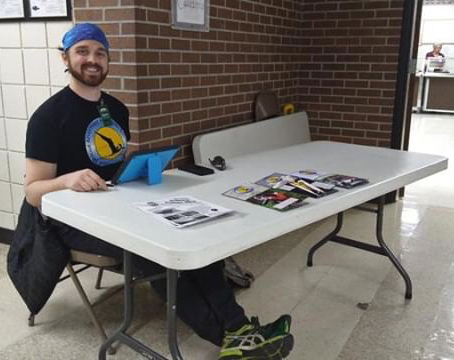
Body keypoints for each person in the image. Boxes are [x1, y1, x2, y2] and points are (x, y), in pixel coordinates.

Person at [19, 23, 294, 360]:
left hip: (118, 205)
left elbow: (114, 171)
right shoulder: (47, 118)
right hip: (72, 222)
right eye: (82, 51)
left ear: (108, 60)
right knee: (157, 252)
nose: (93, 59)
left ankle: (238, 331)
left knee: (193, 231)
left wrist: (143, 170)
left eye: (100, 53)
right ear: (65, 57)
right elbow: (33, 192)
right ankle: (230, 337)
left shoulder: (117, 109)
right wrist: (67, 180)